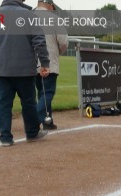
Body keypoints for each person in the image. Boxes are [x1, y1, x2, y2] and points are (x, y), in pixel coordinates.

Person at [0, 0, 49, 147]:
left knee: (3, 103)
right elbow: (39, 41)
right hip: (25, 67)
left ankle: (5, 137)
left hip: (1, 68)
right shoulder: (29, 15)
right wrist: (45, 63)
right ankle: (32, 133)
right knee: (28, 102)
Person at [34, 0, 68, 130]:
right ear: (49, 4)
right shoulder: (54, 19)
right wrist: (57, 53)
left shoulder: (27, 17)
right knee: (47, 92)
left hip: (31, 62)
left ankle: (47, 122)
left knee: (40, 93)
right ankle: (35, 119)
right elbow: (64, 42)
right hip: (49, 61)